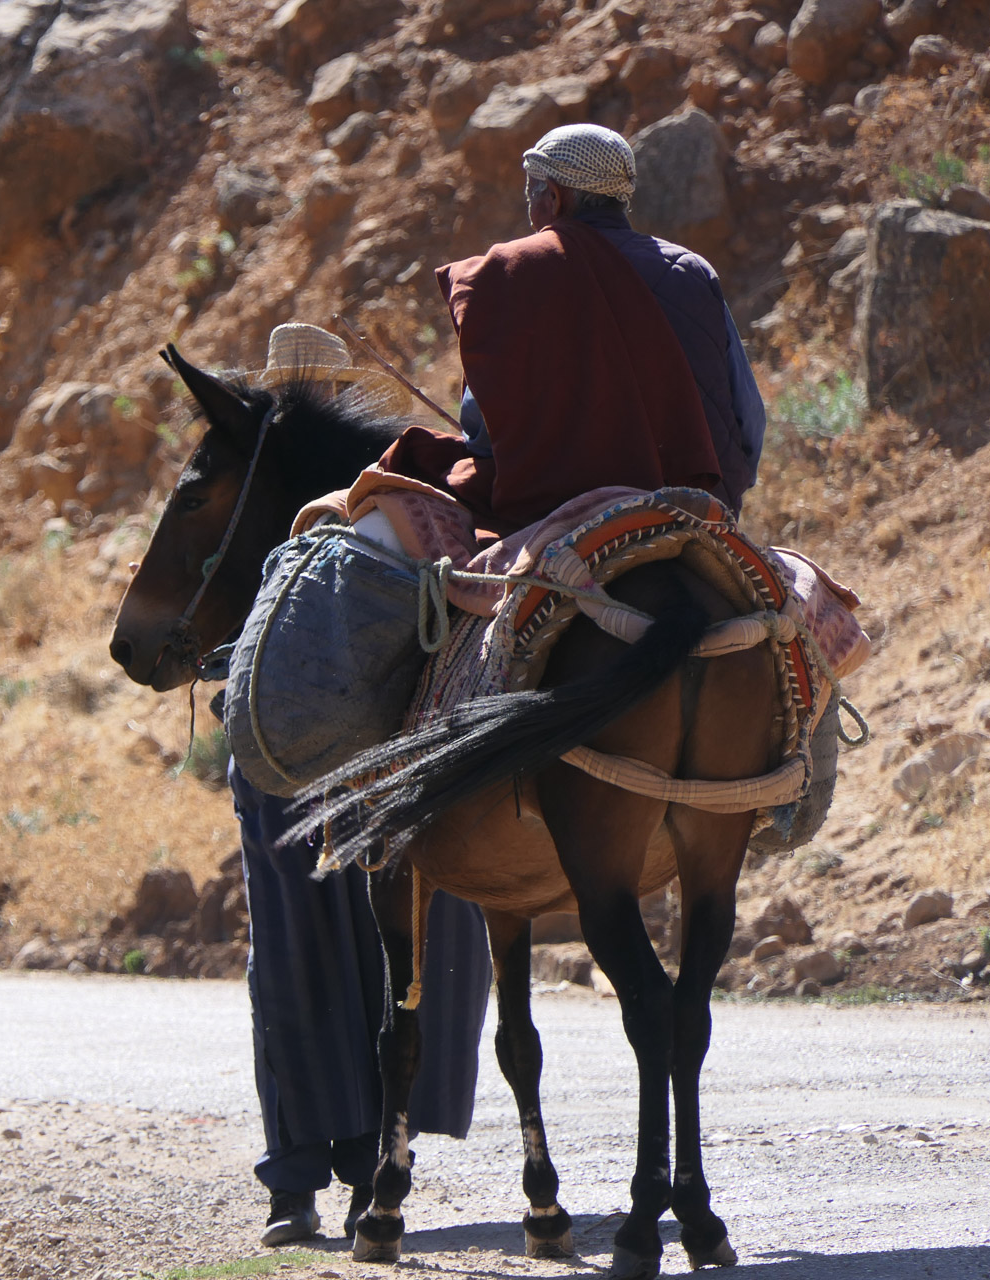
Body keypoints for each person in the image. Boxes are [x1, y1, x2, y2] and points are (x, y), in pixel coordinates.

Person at [225, 325, 493, 1249]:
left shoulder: (247, 478)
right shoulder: (403, 487)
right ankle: (364, 1164)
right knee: (381, 948)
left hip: (278, 745)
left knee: (292, 953)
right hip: (386, 739)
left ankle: (296, 1181)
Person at [407, 123, 767, 542]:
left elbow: (482, 434)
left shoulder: (514, 272)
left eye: (532, 195)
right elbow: (750, 422)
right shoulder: (692, 269)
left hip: (557, 522)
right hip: (702, 511)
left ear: (555, 197)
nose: (530, 211)